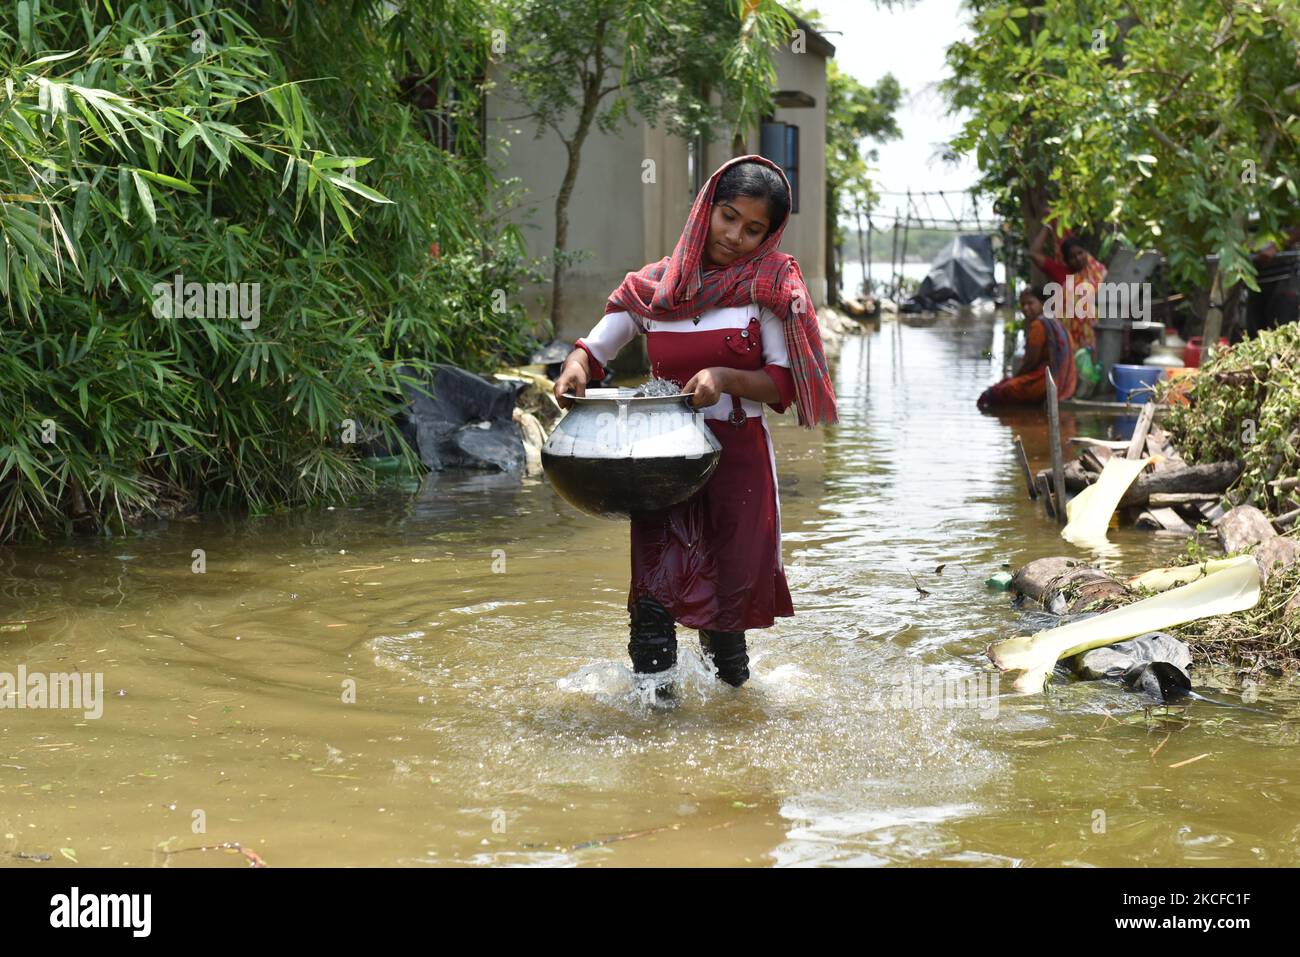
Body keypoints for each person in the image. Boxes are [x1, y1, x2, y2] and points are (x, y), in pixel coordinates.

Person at [552, 154, 838, 695]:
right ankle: (654, 727)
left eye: (754, 229)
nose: (736, 236)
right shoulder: (656, 288)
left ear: (770, 234)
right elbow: (596, 346)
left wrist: (725, 378)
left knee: (725, 619)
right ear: (707, 208)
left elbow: (784, 383)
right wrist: (576, 366)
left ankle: (732, 717)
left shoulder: (772, 288)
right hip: (662, 465)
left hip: (738, 465)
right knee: (652, 601)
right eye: (728, 217)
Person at [978, 286, 1076, 409]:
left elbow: (1031, 362)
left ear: (1042, 304)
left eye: (1030, 303)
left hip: (1049, 384)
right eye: (1023, 304)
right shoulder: (1055, 322)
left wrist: (1017, 378)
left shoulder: (1038, 325)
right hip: (1067, 383)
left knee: (997, 392)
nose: (1025, 308)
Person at [1029, 223, 1107, 354]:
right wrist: (1047, 226)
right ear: (1066, 261)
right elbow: (1033, 253)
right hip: (1070, 342)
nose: (1078, 258)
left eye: (1080, 253)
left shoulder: (1098, 272)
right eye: (1072, 257)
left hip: (1099, 337)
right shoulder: (1063, 274)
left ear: (1086, 253)